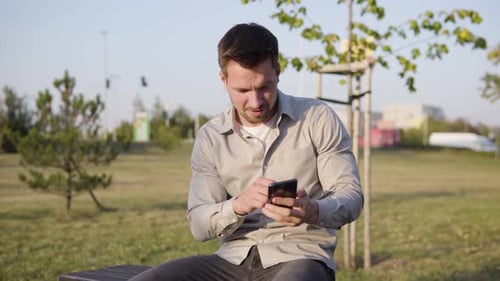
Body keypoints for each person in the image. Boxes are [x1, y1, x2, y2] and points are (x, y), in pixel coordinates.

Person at [129, 22, 363, 281]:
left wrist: (312, 210)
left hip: (300, 257)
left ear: (277, 70)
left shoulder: (317, 118)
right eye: (242, 91)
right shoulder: (210, 136)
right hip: (230, 261)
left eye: (264, 87)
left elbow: (350, 196)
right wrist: (238, 206)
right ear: (223, 79)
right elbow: (198, 224)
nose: (256, 102)